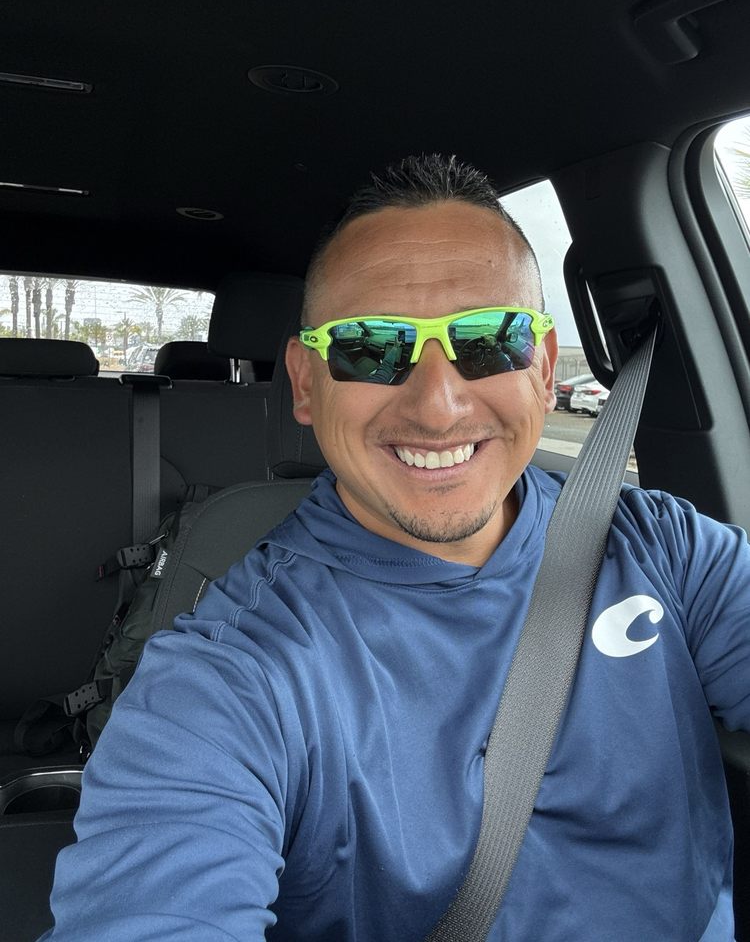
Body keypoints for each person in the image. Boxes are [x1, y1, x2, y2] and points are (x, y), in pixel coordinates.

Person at [41, 154, 749, 941]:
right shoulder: (234, 673)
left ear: (544, 366)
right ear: (305, 382)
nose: (438, 406)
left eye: (489, 339)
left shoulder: (668, 548)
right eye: (370, 346)